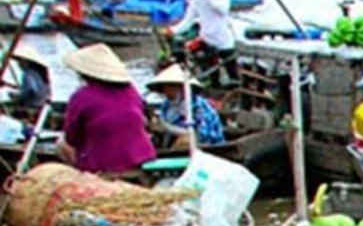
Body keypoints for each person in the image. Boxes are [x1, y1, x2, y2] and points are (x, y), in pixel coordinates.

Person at [58, 44, 155, 174]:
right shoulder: (131, 90)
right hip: (142, 155)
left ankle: (81, 175)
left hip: (104, 163)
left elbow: (72, 137)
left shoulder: (82, 96)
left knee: (60, 144)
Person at [165, 0, 235, 79]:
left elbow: (222, 10)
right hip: (207, 40)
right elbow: (187, 21)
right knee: (210, 74)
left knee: (232, 73)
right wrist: (173, 30)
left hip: (224, 41)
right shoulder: (197, 1)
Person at [148, 63, 224, 149]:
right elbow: (165, 127)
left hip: (207, 144)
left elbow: (203, 133)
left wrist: (178, 133)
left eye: (171, 87)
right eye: (165, 88)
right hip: (176, 143)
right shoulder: (166, 106)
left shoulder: (197, 105)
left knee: (185, 141)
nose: (167, 91)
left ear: (180, 88)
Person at [8, 44, 51, 121]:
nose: (18, 64)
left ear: (25, 62)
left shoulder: (28, 74)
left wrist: (18, 96)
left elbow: (31, 90)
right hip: (41, 106)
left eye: (20, 61)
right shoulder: (40, 73)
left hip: (31, 106)